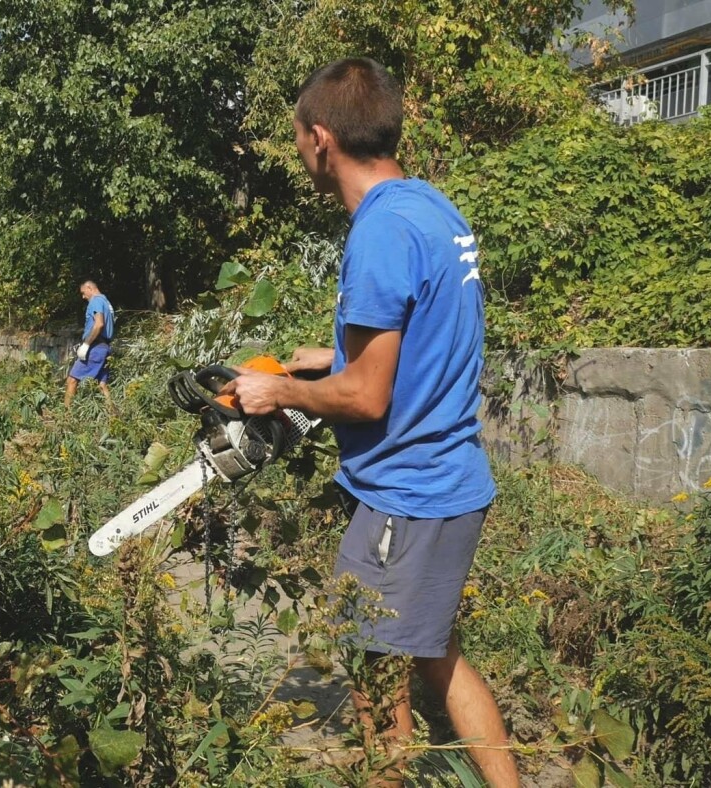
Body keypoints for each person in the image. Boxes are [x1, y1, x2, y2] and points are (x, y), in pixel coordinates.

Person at [219, 58, 518, 787]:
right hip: (452, 481)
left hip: (405, 498)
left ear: (321, 138)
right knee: (437, 654)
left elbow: (367, 400)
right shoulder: (431, 209)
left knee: (373, 678)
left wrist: (281, 393)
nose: (298, 152)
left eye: (297, 138)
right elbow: (428, 335)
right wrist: (334, 355)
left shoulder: (378, 232)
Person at [64, 280, 113, 409]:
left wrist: (86, 345)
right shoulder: (106, 302)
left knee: (72, 380)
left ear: (89, 288)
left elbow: (99, 324)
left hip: (95, 348)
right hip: (105, 348)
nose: (83, 297)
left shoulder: (96, 300)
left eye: (83, 293)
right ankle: (114, 417)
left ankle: (65, 419)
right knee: (101, 385)